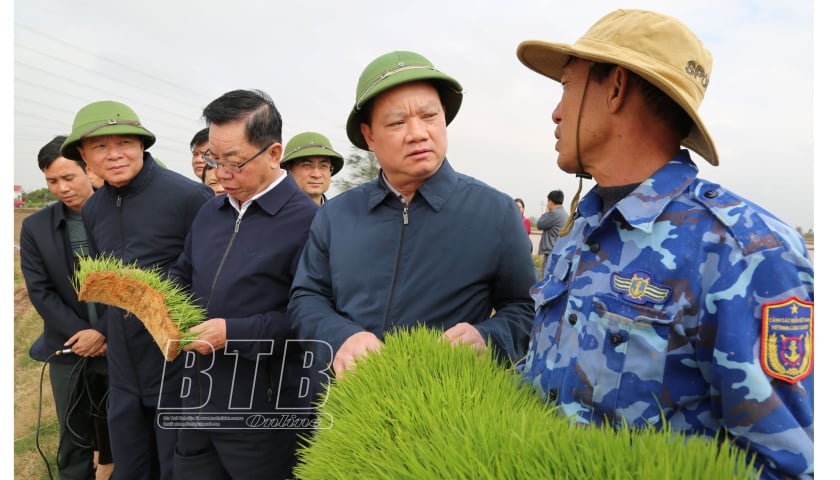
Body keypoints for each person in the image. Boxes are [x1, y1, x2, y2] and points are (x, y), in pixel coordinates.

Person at [515, 9, 813, 479]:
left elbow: (790, 464)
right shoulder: (583, 227)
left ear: (614, 88)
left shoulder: (741, 251)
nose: (556, 111)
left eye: (567, 86)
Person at [289, 50, 535, 382]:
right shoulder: (336, 215)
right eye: (397, 122)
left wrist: (489, 338)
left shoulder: (495, 212)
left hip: (445, 410)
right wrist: (340, 337)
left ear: (444, 117)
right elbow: (307, 297)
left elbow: (527, 309)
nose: (418, 133)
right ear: (370, 136)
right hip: (346, 404)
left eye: (429, 116)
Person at [168, 89, 320, 479]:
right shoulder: (210, 212)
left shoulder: (310, 222)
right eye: (213, 160)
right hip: (195, 397)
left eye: (234, 162)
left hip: (262, 408)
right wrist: (159, 303)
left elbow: (311, 315)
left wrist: (232, 333)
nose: (221, 174)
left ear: (273, 153)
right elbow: (183, 273)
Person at [61, 100, 213, 480]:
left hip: (177, 362)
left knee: (178, 465)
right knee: (130, 464)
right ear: (84, 155)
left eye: (125, 142)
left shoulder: (188, 198)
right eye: (100, 147)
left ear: (142, 145)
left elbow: (210, 276)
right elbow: (108, 288)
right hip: (124, 367)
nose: (114, 155)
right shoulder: (94, 209)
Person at [21, 135, 113, 480]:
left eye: (68, 177)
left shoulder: (119, 215)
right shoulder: (35, 227)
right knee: (73, 434)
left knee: (126, 427)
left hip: (119, 341)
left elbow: (141, 281)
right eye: (52, 181)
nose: (61, 188)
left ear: (88, 171)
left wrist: (103, 330)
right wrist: (82, 334)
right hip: (68, 348)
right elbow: (40, 291)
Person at [280, 131, 344, 206]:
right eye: (307, 165)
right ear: (288, 169)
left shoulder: (341, 215)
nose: (316, 175)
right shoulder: (270, 214)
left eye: (323, 166)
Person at [535, 189, 568, 269]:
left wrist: (547, 212)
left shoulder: (554, 214)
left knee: (546, 278)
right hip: (559, 252)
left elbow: (539, 224)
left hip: (551, 253)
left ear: (550, 202)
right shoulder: (565, 214)